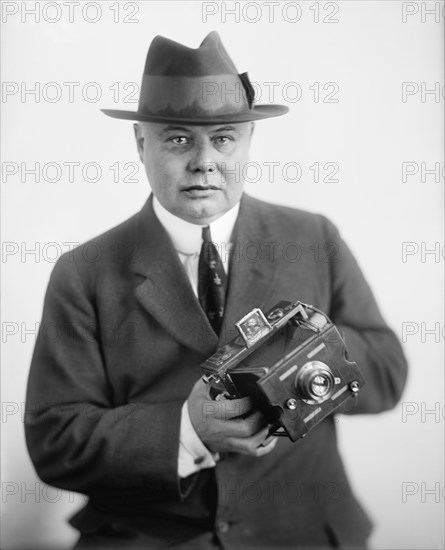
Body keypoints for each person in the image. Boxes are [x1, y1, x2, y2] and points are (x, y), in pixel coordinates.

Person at [25, 32, 408, 549]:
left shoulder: (313, 238)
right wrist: (187, 429)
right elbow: (54, 440)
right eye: (178, 138)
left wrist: (301, 358)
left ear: (250, 141)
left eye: (224, 137)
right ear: (141, 142)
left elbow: (387, 371)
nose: (205, 161)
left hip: (302, 533)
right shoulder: (84, 272)